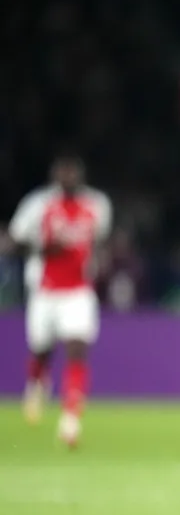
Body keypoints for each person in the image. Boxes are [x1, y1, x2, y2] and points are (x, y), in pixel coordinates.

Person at [9, 155, 112, 447]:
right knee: (41, 351)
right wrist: (42, 246)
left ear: (80, 176)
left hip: (79, 291)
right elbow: (15, 240)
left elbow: (99, 239)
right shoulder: (38, 204)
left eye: (73, 173)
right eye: (63, 173)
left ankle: (70, 419)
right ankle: (36, 384)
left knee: (77, 350)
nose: (68, 178)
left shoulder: (97, 205)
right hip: (44, 290)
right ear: (55, 176)